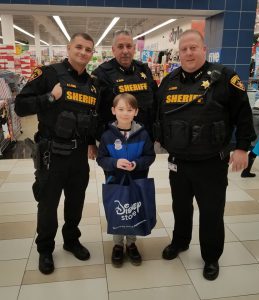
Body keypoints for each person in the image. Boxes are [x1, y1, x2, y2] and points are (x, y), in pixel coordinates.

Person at [155, 29, 256, 281]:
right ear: (179, 53)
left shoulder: (224, 78)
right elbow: (159, 116)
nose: (188, 53)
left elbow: (243, 115)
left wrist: (242, 147)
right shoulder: (169, 81)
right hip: (178, 161)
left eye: (193, 48)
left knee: (211, 211)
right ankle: (180, 242)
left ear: (203, 49)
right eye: (184, 49)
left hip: (211, 161)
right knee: (180, 207)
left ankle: (211, 257)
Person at [15, 33, 98, 275]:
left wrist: (92, 142)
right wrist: (51, 97)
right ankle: (45, 249)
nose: (83, 52)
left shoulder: (93, 84)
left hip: (79, 155)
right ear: (69, 48)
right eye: (79, 47)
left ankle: (71, 240)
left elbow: (91, 119)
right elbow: (20, 105)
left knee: (76, 201)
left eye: (88, 49)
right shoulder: (48, 73)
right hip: (52, 154)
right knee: (48, 204)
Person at [96, 93, 155, 267]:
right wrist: (114, 163)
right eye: (121, 109)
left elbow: (150, 156)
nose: (125, 113)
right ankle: (117, 245)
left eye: (129, 110)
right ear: (113, 110)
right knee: (118, 212)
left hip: (137, 180)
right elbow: (101, 159)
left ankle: (131, 243)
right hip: (115, 181)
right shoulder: (107, 136)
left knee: (134, 211)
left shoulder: (143, 135)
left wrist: (136, 164)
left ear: (136, 112)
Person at [92, 29, 157, 140]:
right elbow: (93, 110)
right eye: (120, 47)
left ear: (134, 48)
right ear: (113, 50)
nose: (125, 51)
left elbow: (155, 102)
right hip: (114, 140)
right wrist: (91, 141)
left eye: (128, 46)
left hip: (144, 138)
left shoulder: (144, 70)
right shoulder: (101, 73)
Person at [241, 81, 259, 177]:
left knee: (257, 147)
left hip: (257, 119)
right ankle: (245, 172)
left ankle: (245, 171)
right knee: (257, 147)